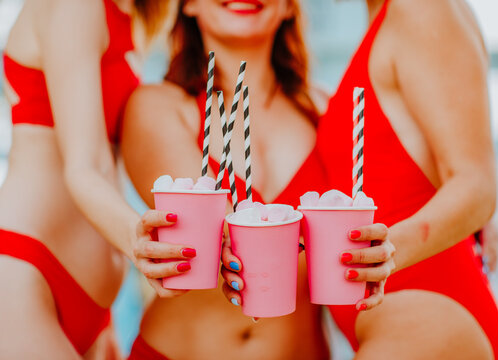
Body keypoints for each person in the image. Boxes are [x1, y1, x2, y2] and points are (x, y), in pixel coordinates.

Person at [121, 0, 395, 359]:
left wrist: (380, 252)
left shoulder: (328, 112)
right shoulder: (156, 105)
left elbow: (387, 208)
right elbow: (208, 234)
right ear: (188, 5)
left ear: (288, 8)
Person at [292, 0, 498, 358]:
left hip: (428, 314)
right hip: (405, 316)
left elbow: (476, 184)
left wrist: (381, 254)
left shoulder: (420, 8)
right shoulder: (385, 17)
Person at [0, 0, 193, 358]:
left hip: (93, 302)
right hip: (24, 275)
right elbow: (85, 165)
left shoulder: (133, 14)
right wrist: (142, 246)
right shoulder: (74, 5)